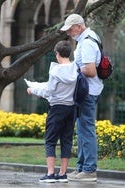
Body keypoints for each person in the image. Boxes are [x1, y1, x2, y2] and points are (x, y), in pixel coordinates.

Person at [60, 14, 104, 182]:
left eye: (71, 29)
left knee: (86, 130)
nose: (69, 32)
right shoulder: (90, 37)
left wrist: (72, 69)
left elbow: (91, 70)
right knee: (82, 129)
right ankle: (81, 168)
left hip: (87, 92)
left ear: (78, 26)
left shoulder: (86, 43)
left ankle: (89, 169)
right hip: (89, 90)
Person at [26, 40, 77, 183]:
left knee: (50, 140)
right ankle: (62, 173)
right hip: (71, 108)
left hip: (57, 108)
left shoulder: (55, 71)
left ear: (57, 53)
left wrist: (33, 89)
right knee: (66, 140)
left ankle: (50, 173)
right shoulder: (76, 69)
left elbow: (49, 91)